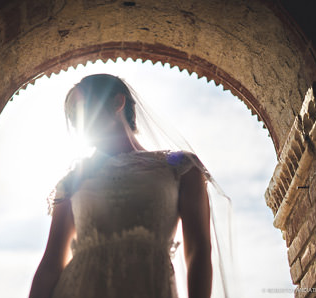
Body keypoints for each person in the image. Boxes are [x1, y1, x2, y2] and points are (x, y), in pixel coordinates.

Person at [28, 74, 220, 298]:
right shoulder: (72, 182)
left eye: (81, 107)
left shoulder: (181, 168)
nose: (74, 120)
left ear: (117, 102)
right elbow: (51, 263)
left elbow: (198, 251)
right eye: (71, 114)